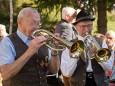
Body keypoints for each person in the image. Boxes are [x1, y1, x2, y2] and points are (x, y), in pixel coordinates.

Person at [0, 7, 60, 86]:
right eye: (32, 22)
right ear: (20, 21)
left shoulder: (43, 40)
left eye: (38, 23)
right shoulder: (7, 42)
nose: (36, 27)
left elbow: (54, 70)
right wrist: (30, 51)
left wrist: (54, 50)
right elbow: (5, 74)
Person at [60, 10, 114, 86]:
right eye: (83, 26)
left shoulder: (100, 42)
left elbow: (108, 67)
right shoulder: (70, 45)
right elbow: (66, 73)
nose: (86, 29)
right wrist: (75, 55)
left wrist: (98, 54)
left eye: (89, 25)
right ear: (76, 27)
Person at [55, 7, 78, 86]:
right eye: (73, 15)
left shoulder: (61, 24)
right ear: (67, 16)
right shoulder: (66, 26)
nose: (75, 17)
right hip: (67, 62)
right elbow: (68, 44)